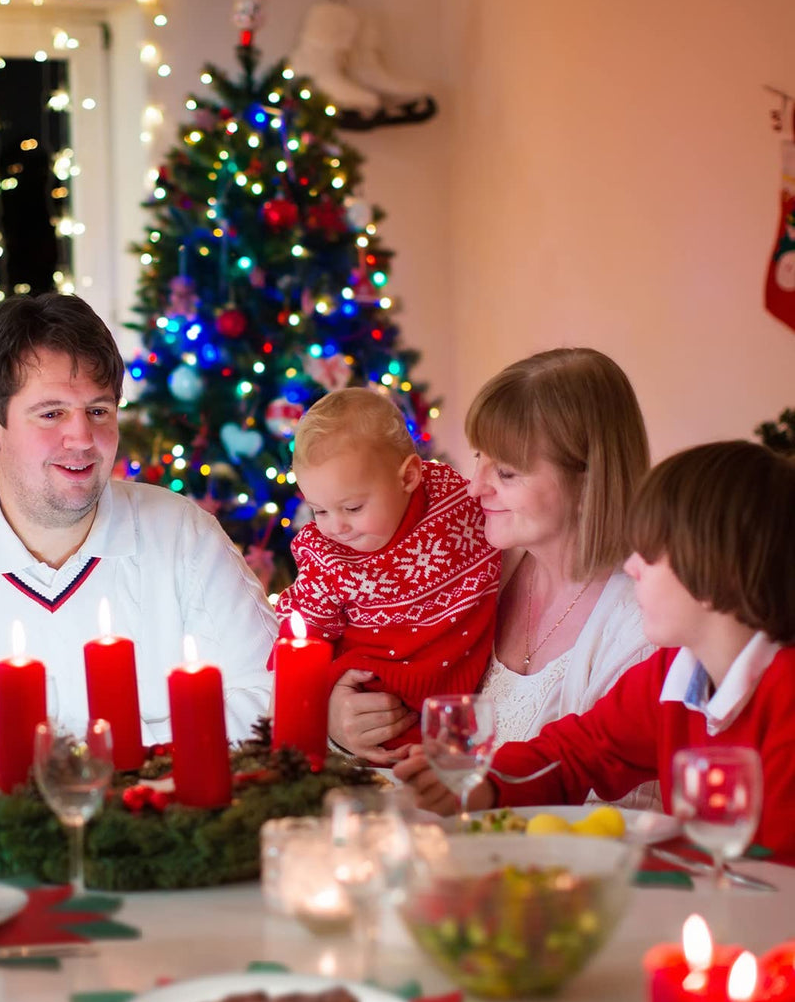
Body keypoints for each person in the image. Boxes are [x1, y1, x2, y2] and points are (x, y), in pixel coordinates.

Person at [0, 293, 277, 766]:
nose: (83, 439)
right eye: (52, 413)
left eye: (99, 411)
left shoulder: (184, 536)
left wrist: (122, 756)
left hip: (155, 826)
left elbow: (267, 699)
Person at [393, 441, 795, 854]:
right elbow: (576, 754)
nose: (632, 566)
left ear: (716, 574)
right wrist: (483, 785)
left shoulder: (785, 696)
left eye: (650, 553)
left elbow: (776, 874)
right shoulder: (674, 672)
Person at [329, 349, 656, 806]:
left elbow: (625, 819)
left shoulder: (644, 623)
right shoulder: (475, 567)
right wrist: (342, 720)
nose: (474, 486)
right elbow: (387, 669)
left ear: (588, 480)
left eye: (506, 471)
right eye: (479, 457)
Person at [274, 387, 500, 753]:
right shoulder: (326, 556)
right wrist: (311, 714)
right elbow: (300, 642)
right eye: (319, 510)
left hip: (458, 696)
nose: (334, 527)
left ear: (409, 477)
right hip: (376, 701)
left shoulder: (456, 500)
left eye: (352, 507)